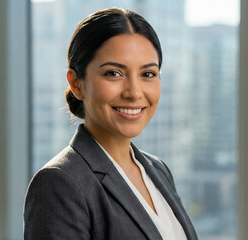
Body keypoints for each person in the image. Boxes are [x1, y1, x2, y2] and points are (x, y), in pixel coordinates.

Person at [23, 8, 198, 240]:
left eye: (147, 74)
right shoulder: (60, 183)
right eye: (114, 73)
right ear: (77, 84)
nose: (134, 93)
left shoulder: (158, 169)